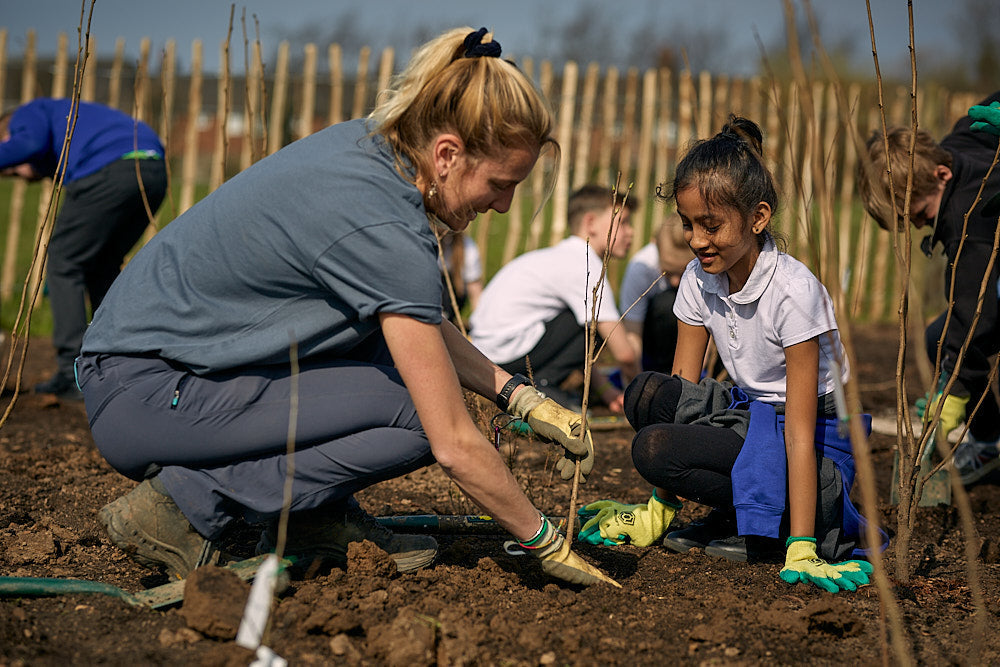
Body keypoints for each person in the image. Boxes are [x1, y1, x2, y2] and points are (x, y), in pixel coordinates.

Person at [76, 27, 617, 588]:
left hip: (154, 373)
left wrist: (519, 396)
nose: (503, 206)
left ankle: (312, 519)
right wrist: (544, 542)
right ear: (448, 154)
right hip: (146, 391)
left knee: (387, 363)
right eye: (500, 184)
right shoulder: (382, 223)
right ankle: (183, 507)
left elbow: (416, 316)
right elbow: (452, 440)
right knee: (419, 413)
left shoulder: (367, 153)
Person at [576, 116, 881, 594]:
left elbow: (800, 431)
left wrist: (802, 545)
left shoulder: (794, 293)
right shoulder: (701, 278)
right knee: (647, 394)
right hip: (751, 416)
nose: (696, 240)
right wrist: (660, 509)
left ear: (758, 218)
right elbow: (684, 394)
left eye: (710, 225)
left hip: (812, 441)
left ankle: (779, 526)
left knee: (652, 448)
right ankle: (736, 510)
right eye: (687, 224)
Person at [857, 93, 1000, 486]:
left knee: (957, 340)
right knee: (939, 338)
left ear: (941, 175)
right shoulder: (960, 141)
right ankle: (989, 441)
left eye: (919, 215)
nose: (919, 227)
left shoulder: (965, 220)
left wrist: (952, 388)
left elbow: (974, 314)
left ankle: (986, 440)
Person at [0, 98, 168, 401]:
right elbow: (40, 152)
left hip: (113, 168)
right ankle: (120, 361)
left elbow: (29, 143)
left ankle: (72, 372)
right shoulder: (74, 121)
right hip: (152, 170)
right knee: (101, 265)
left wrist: (12, 154)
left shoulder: (25, 114)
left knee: (65, 260)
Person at [469, 183, 640, 412]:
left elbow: (580, 344)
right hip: (502, 358)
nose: (631, 232)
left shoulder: (563, 256)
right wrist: (643, 396)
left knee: (588, 323)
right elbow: (625, 353)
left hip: (487, 353)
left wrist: (607, 392)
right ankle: (543, 386)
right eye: (623, 222)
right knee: (594, 325)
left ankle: (542, 383)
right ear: (590, 223)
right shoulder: (584, 265)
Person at [619, 214, 692, 373]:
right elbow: (633, 332)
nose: (675, 281)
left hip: (689, 336)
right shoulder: (641, 268)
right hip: (653, 339)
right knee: (667, 302)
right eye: (668, 271)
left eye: (682, 272)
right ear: (655, 245)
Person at [439, 231, 483, 324]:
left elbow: (475, 293)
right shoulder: (424, 242)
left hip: (450, 307)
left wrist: (480, 322)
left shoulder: (468, 247)